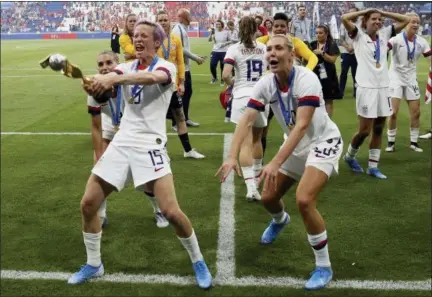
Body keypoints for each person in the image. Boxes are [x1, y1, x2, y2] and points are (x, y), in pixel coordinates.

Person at [68, 20, 212, 289]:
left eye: (144, 36)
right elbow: (107, 92)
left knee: (171, 211)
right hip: (122, 140)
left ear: (157, 42)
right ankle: (94, 264)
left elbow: (151, 79)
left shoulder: (165, 67)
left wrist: (114, 77)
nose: (138, 39)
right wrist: (95, 88)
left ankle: (198, 261)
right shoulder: (124, 67)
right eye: (135, 36)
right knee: (88, 203)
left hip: (151, 144)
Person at [216, 34, 342, 291]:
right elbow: (247, 118)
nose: (271, 53)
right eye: (269, 49)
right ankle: (280, 220)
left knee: (305, 200)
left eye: (278, 49)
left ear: (291, 55)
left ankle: (324, 266)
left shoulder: (307, 79)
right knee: (268, 198)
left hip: (322, 142)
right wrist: (232, 155)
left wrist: (274, 162)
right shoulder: (265, 83)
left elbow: (303, 125)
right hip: (294, 144)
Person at [87, 50, 169, 229]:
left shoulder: (130, 82)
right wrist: (99, 154)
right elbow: (95, 126)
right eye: (100, 64)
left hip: (135, 134)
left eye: (109, 62)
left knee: (149, 178)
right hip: (109, 134)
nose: (105, 67)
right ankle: (101, 215)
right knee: (99, 175)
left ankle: (158, 210)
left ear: (119, 65)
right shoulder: (95, 89)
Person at [341, 8, 410, 179]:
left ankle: (373, 167)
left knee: (379, 128)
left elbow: (406, 19)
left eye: (380, 20)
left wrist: (382, 13)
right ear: (365, 21)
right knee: (364, 130)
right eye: (374, 19)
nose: (378, 22)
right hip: (366, 89)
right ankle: (349, 156)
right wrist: (367, 11)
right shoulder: (358, 35)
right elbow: (344, 18)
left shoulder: (385, 34)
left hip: (383, 88)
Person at [256, 12, 318, 156]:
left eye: (282, 26)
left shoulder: (294, 42)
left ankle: (305, 158)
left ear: (287, 27)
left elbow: (312, 58)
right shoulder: (263, 41)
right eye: (276, 26)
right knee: (262, 128)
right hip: (270, 89)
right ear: (272, 26)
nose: (279, 29)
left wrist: (302, 75)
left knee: (300, 125)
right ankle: (259, 164)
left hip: (291, 90)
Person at [222, 16, 267, 201]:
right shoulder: (264, 48)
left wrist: (234, 84)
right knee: (257, 140)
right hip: (260, 96)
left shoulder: (233, 49)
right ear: (257, 28)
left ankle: (251, 188)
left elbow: (225, 75)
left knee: (245, 143)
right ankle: (256, 181)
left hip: (241, 97)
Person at [156, 10, 205, 159]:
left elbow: (180, 63)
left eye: (165, 19)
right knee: (158, 120)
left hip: (173, 86)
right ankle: (161, 151)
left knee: (180, 117)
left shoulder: (175, 39)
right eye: (161, 20)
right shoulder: (152, 40)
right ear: (156, 22)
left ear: (169, 21)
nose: (163, 22)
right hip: (157, 87)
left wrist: (182, 82)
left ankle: (188, 150)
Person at [385, 13, 431, 153]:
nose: (416, 25)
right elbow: (383, 50)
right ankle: (391, 143)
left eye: (418, 22)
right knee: (393, 113)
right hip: (395, 78)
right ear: (405, 23)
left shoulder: (422, 42)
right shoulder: (396, 39)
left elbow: (430, 58)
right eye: (413, 22)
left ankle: (414, 143)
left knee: (416, 112)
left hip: (411, 79)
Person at [172, 8, 206, 128]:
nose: (190, 18)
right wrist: (195, 58)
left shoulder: (182, 29)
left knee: (187, 93)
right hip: (180, 68)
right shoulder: (177, 30)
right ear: (183, 17)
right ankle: (177, 121)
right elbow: (181, 49)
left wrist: (196, 56)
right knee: (181, 94)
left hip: (185, 67)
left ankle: (184, 119)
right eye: (188, 15)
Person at [310, 25, 341, 118]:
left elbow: (333, 60)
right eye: (316, 33)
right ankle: (315, 120)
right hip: (314, 74)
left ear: (326, 34)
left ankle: (328, 121)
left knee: (328, 99)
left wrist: (322, 53)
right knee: (314, 98)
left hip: (328, 75)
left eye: (320, 33)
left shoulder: (331, 44)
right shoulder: (312, 44)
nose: (318, 35)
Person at [339, 7, 360, 99]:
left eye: (353, 13)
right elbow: (341, 39)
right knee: (343, 72)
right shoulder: (343, 24)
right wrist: (348, 47)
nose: (351, 15)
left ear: (357, 14)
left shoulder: (361, 24)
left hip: (357, 53)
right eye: (350, 13)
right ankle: (340, 92)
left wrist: (354, 48)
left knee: (356, 74)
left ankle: (356, 93)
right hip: (345, 52)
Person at [209, 20, 234, 86]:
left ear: (222, 25)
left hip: (224, 51)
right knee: (212, 65)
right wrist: (211, 34)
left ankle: (222, 80)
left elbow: (231, 40)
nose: (217, 26)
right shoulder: (214, 32)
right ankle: (214, 77)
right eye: (216, 24)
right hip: (215, 51)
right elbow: (209, 40)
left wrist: (224, 44)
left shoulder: (226, 32)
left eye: (219, 24)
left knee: (222, 66)